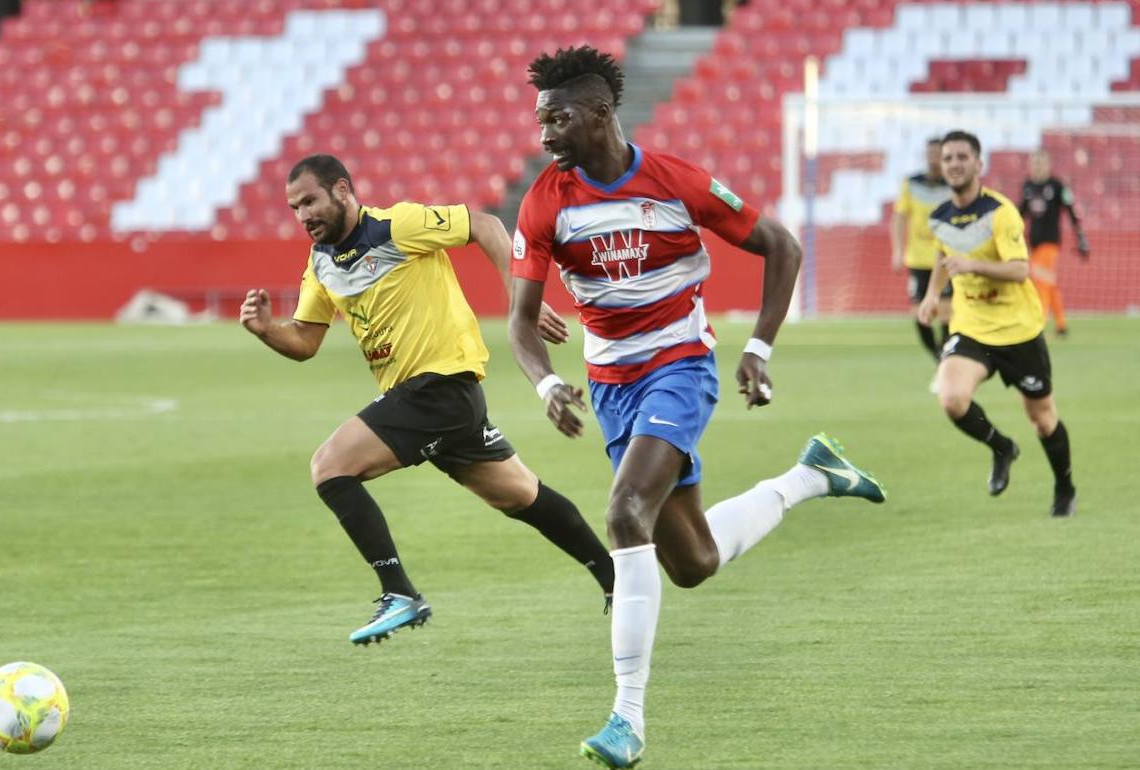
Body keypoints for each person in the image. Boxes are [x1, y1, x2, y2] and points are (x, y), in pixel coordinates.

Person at [506, 47, 887, 769]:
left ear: (599, 114)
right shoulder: (545, 201)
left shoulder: (675, 182)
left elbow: (781, 244)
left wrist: (761, 349)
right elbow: (522, 322)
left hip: (680, 367)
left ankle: (627, 718)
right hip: (613, 385)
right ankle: (811, 476)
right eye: (539, 121)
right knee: (692, 562)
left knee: (624, 515)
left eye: (555, 118)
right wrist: (547, 384)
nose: (544, 134)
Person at [240, 154, 615, 646]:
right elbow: (306, 342)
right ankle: (619, 579)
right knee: (520, 495)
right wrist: (268, 330)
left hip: (438, 387)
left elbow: (483, 224)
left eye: (310, 200)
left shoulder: (398, 225)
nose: (303, 215)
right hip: (439, 403)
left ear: (342, 190)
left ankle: (398, 593)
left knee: (330, 467)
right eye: (294, 207)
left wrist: (520, 298)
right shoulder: (322, 265)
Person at [918, 131, 1077, 518]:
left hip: (1019, 331)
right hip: (972, 328)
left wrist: (972, 265)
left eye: (962, 157)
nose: (954, 163)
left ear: (978, 165)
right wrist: (932, 296)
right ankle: (1001, 447)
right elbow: (942, 257)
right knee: (952, 399)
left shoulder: (1000, 212)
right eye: (948, 158)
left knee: (1042, 419)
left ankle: (1064, 487)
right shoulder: (939, 218)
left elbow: (1021, 270)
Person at [891, 137, 953, 370]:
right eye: (930, 153)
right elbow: (899, 217)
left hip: (945, 258)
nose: (933, 158)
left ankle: (947, 355)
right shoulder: (912, 183)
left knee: (947, 311)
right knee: (920, 314)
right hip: (918, 258)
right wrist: (897, 250)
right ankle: (939, 356)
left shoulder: (953, 184)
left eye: (938, 153)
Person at [1019, 148, 1090, 337]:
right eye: (1035, 163)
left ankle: (1038, 326)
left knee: (1041, 282)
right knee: (1050, 283)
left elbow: (1072, 211)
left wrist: (1081, 237)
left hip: (1050, 242)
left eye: (1041, 163)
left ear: (1049, 166)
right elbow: (1021, 213)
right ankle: (1061, 324)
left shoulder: (1057, 186)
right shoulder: (1028, 186)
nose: (1038, 167)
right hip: (1033, 242)